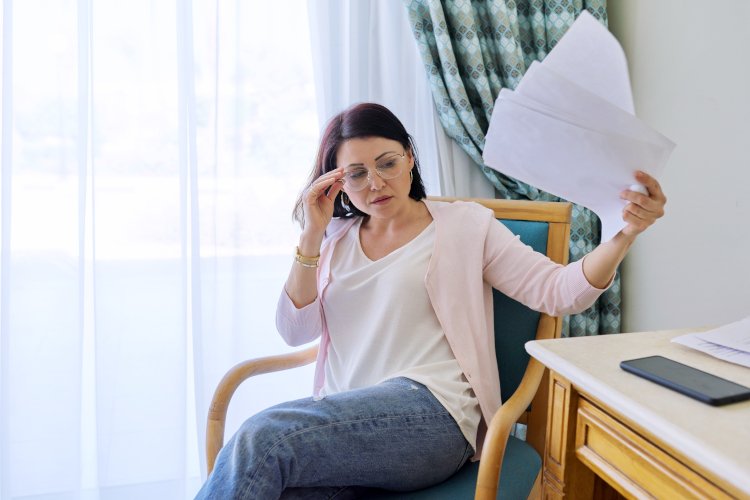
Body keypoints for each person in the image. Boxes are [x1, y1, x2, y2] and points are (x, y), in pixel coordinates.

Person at [196, 103, 666, 499]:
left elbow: (560, 291)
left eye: (387, 163)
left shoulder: (464, 226)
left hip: (433, 416)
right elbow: (295, 331)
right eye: (356, 174)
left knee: (262, 438)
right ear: (336, 183)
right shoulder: (334, 239)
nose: (376, 183)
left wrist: (624, 234)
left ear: (410, 158)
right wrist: (312, 233)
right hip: (348, 422)